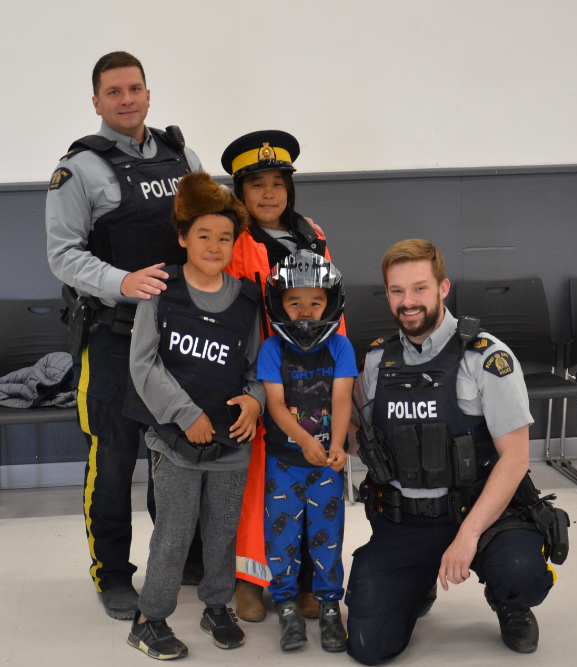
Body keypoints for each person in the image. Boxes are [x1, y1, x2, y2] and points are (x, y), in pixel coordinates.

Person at [45, 51, 203, 619]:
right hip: (112, 335)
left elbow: (212, 228)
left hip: (177, 337)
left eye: (135, 88)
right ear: (97, 102)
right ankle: (112, 574)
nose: (127, 99)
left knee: (177, 454)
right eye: (114, 92)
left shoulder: (183, 156)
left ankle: (180, 555)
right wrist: (123, 282)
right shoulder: (78, 169)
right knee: (112, 460)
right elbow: (63, 256)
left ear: (148, 93)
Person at [346, 240, 556, 665]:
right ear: (386, 294)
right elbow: (356, 440)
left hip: (480, 512)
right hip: (404, 520)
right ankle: (418, 580)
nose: (408, 302)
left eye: (420, 289)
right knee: (369, 647)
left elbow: (515, 458)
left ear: (443, 287)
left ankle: (509, 602)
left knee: (523, 574)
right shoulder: (374, 363)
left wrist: (469, 535)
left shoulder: (486, 357)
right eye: (397, 291)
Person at [124, 172, 264, 658]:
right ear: (183, 237)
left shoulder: (248, 301)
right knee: (175, 534)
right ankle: (150, 618)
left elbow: (254, 369)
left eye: (224, 237)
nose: (214, 245)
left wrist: (254, 401)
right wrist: (185, 414)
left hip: (230, 444)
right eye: (203, 235)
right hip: (175, 441)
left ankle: (216, 606)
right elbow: (143, 363)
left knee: (222, 533)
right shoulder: (162, 289)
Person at [221, 130, 345, 622]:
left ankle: (312, 578)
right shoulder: (233, 240)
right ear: (240, 193)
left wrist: (343, 377)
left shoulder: (312, 236)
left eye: (278, 182)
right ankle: (252, 579)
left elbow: (334, 309)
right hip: (259, 377)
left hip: (313, 381)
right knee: (260, 486)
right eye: (257, 185)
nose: (269, 193)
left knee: (315, 483)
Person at [257, 250, 357, 652]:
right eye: (293, 301)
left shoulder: (340, 346)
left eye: (315, 301)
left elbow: (342, 400)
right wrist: (305, 440)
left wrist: (336, 447)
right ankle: (287, 609)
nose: (305, 310)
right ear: (278, 304)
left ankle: (330, 607)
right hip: (284, 462)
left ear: (329, 303)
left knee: (327, 538)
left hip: (325, 466)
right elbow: (276, 407)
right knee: (280, 543)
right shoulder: (271, 349)